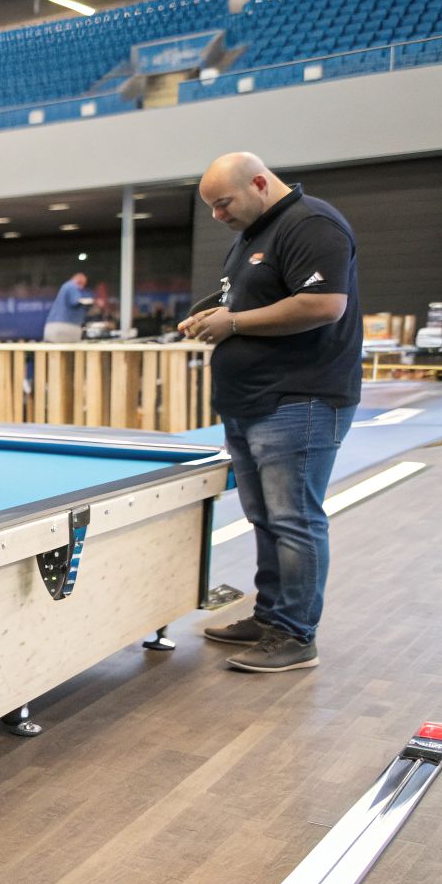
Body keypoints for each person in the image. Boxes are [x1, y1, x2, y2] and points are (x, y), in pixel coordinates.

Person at [178, 152, 361, 673]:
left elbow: (324, 305)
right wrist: (218, 314)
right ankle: (271, 617)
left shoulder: (310, 224)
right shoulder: (256, 234)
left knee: (294, 520)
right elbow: (251, 302)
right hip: (255, 400)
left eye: (223, 204)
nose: (217, 216)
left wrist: (232, 326)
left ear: (260, 182)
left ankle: (296, 635)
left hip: (299, 399)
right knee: (267, 519)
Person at [43, 271, 93, 342]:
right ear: (79, 280)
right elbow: (76, 302)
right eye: (82, 283)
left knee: (55, 352)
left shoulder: (65, 287)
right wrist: (92, 301)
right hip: (65, 326)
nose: (83, 286)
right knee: (68, 352)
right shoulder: (71, 286)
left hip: (54, 327)